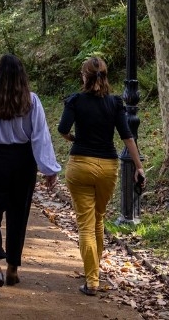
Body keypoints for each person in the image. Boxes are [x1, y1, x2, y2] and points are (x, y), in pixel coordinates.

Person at [0, 54, 61, 300]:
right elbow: (40, 136)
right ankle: (13, 268)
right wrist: (49, 169)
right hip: (22, 161)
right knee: (18, 214)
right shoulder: (31, 101)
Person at [57, 55, 145, 297]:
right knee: (98, 219)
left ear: (84, 77)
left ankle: (92, 280)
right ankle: (94, 271)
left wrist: (72, 138)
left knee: (85, 224)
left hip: (80, 165)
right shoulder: (115, 103)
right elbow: (127, 136)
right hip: (107, 167)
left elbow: (63, 129)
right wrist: (138, 167)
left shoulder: (75, 101)